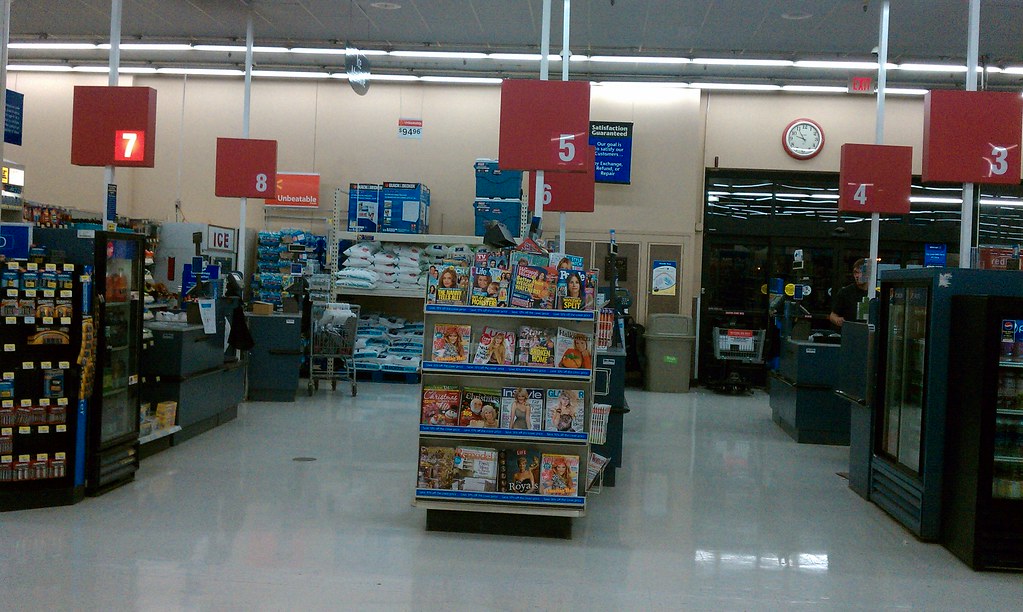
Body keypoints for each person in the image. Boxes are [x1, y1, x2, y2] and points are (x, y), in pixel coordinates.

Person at [829, 258, 869, 329]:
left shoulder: (875, 295)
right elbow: (833, 315)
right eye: (855, 272)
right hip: (849, 334)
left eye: (860, 272)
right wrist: (837, 320)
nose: (857, 276)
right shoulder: (845, 292)